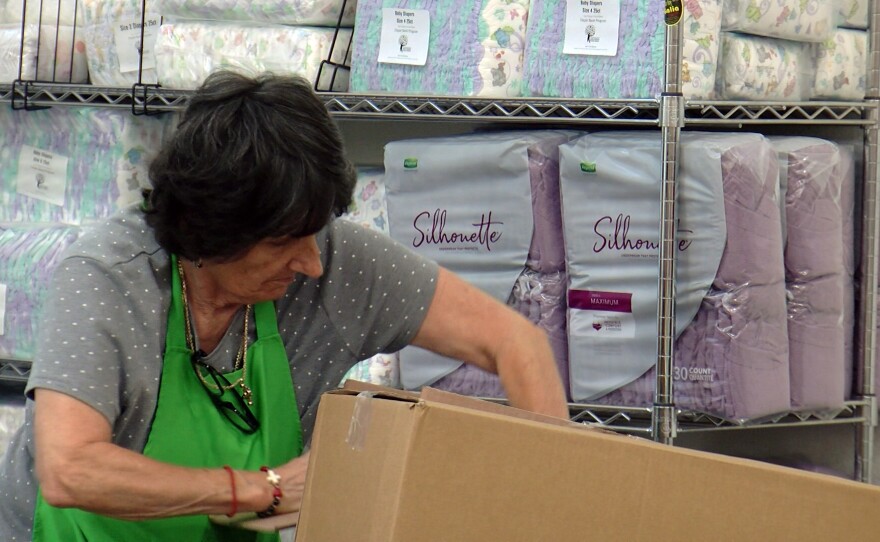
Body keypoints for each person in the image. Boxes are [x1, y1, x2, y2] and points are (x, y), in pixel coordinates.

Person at [0, 70, 568, 541]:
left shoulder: (341, 265)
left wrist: (557, 506)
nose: (312, 263)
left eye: (315, 233)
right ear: (209, 230)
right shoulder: (108, 277)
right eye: (281, 242)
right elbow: (69, 469)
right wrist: (260, 488)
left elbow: (517, 343)